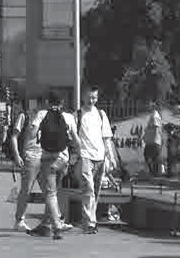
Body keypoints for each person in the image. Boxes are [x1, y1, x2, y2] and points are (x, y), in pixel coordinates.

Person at [29, 92, 80, 240]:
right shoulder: (69, 117)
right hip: (63, 161)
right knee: (53, 193)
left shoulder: (42, 114)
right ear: (62, 103)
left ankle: (57, 225)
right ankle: (46, 225)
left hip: (48, 160)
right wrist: (76, 155)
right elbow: (76, 142)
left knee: (50, 194)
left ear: (47, 102)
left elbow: (32, 134)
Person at [75, 87, 115, 234]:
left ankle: (92, 220)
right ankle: (89, 222)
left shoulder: (101, 114)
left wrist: (110, 157)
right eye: (89, 97)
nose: (91, 100)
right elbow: (72, 136)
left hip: (100, 157)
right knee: (88, 189)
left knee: (96, 192)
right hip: (85, 156)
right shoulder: (77, 115)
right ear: (83, 97)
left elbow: (107, 138)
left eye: (94, 98)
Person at [8, 99, 43, 232]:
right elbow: (14, 136)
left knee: (49, 190)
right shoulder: (24, 116)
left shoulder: (44, 117)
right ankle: (19, 220)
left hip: (44, 157)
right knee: (26, 190)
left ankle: (52, 220)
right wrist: (17, 155)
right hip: (29, 157)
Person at [143, 102, 165, 176]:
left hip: (154, 141)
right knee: (151, 157)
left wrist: (154, 138)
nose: (148, 107)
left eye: (150, 106)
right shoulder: (153, 115)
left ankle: (154, 173)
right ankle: (153, 173)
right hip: (152, 140)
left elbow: (156, 127)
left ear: (153, 107)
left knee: (151, 156)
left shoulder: (155, 116)